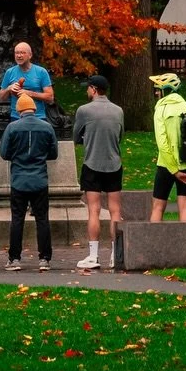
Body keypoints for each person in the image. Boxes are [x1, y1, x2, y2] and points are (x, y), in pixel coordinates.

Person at [0, 92, 60, 271]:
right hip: (40, 179)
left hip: (19, 179)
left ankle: (15, 258)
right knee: (42, 219)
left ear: (19, 111)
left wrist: (16, 157)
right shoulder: (47, 127)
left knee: (17, 219)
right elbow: (54, 153)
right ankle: (45, 259)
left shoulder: (12, 127)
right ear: (34, 109)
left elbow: (4, 153)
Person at [71, 74, 124, 271]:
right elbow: (120, 135)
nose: (87, 91)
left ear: (93, 89)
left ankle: (93, 256)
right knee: (115, 210)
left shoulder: (84, 110)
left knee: (93, 210)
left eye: (88, 88)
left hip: (92, 163)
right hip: (114, 164)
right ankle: (115, 255)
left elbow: (76, 135)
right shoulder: (118, 110)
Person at [148, 72, 186, 223]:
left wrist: (174, 170)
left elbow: (162, 144)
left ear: (166, 90)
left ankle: (153, 245)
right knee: (185, 207)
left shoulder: (161, 110)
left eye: (158, 89)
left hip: (165, 165)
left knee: (158, 206)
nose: (157, 92)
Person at [0, 41, 54, 120]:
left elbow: (50, 98)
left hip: (38, 117)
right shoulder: (10, 72)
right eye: (16, 53)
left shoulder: (41, 72)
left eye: (22, 53)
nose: (19, 56)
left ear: (30, 55)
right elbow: (1, 98)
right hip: (16, 118)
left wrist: (29, 93)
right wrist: (9, 88)